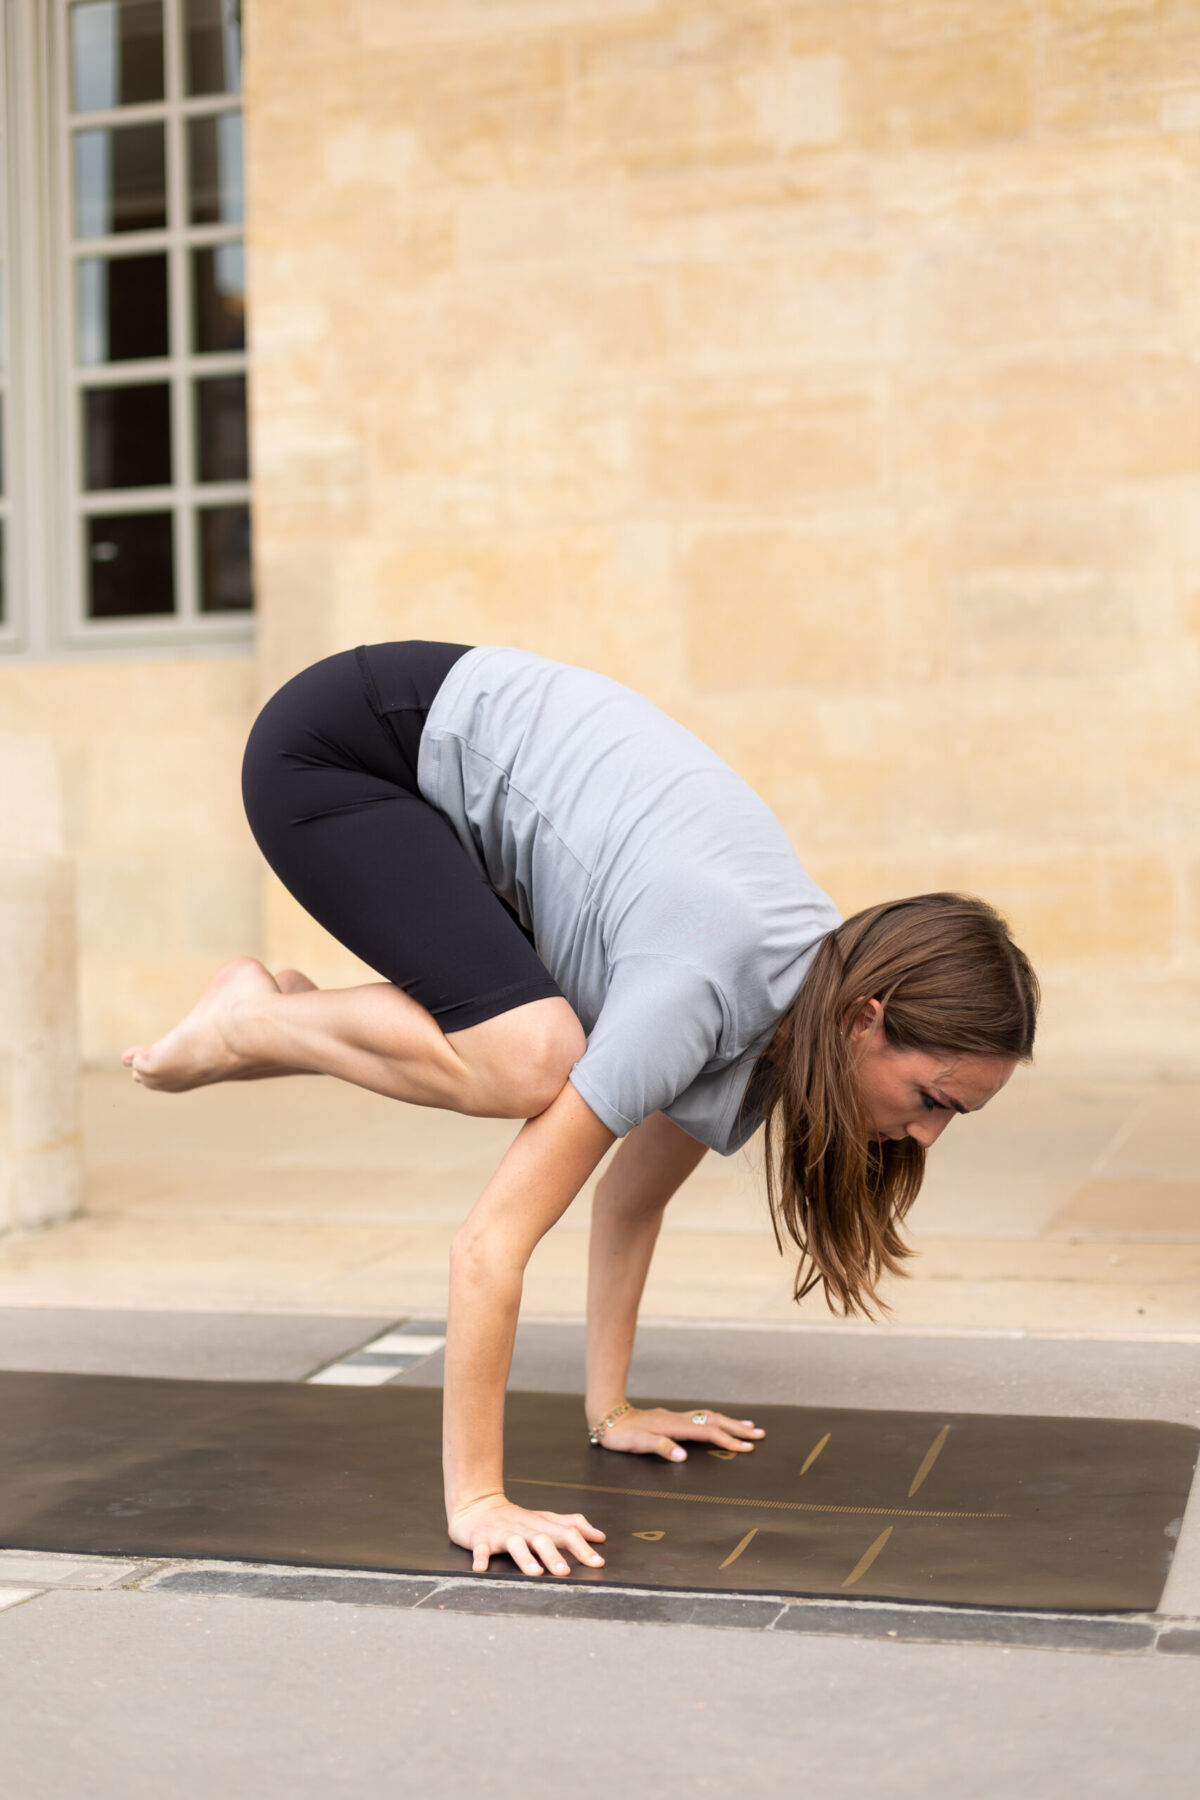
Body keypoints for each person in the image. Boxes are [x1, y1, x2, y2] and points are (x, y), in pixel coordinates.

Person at [122, 640, 1039, 1580]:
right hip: (344, 748)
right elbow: (489, 1245)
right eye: (931, 1098)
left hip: (440, 762)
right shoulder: (702, 992)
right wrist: (479, 1501)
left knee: (542, 1048)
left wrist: (614, 1410)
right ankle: (253, 1021)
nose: (927, 1135)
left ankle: (265, 1020)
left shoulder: (793, 1007)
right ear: (864, 1019)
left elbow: (631, 1198)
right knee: (532, 1061)